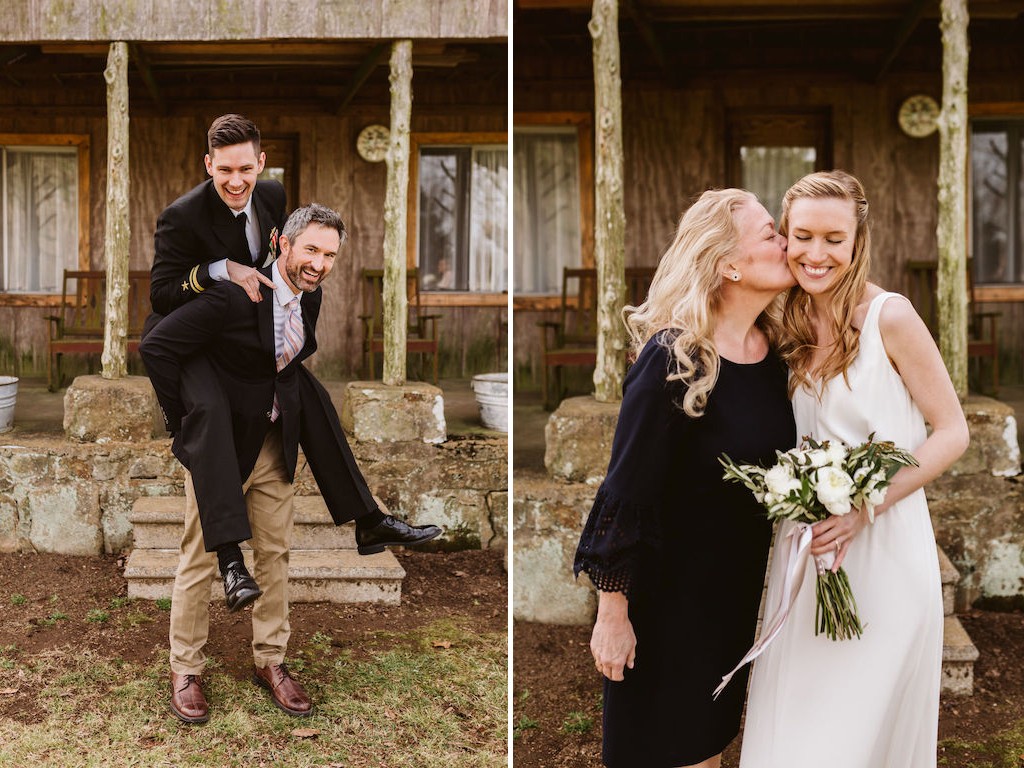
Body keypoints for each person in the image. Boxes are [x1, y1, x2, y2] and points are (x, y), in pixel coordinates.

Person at [141, 203, 440, 724]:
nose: (319, 263)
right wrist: (185, 420)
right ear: (282, 243)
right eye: (311, 250)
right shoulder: (234, 298)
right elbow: (157, 347)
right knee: (198, 558)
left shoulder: (312, 296)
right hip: (220, 449)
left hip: (275, 444)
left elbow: (286, 365)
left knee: (276, 555)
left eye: (329, 255)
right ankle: (186, 669)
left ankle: (271, 661)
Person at [147, 114, 434, 613]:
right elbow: (161, 293)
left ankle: (367, 518)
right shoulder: (183, 216)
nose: (236, 182)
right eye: (224, 171)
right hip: (188, 333)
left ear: (261, 163)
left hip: (250, 323)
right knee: (208, 415)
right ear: (208, 165)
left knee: (311, 394)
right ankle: (230, 559)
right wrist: (221, 270)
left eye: (246, 169)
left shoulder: (273, 196)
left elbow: (288, 259)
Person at [738, 171, 970, 767]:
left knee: (856, 726)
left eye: (833, 239)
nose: (817, 254)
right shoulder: (779, 320)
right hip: (806, 547)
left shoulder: (890, 317)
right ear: (784, 237)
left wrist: (868, 505)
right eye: (802, 236)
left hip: (884, 542)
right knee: (798, 719)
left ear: (856, 240)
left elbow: (952, 432)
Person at [574, 189, 797, 768]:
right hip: (666, 602)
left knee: (709, 745)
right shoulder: (675, 358)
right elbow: (625, 489)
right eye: (771, 232)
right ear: (729, 263)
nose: (787, 242)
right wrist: (613, 614)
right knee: (662, 748)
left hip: (736, 594)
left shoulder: (776, 355)